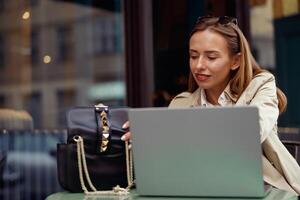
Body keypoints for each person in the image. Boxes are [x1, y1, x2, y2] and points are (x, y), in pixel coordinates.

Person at [121, 16, 300, 194]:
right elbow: (177, 165)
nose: (198, 65)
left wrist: (166, 130)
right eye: (193, 56)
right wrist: (150, 140)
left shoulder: (260, 86)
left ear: (236, 61)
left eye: (211, 57)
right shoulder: (181, 103)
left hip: (269, 189)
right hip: (206, 191)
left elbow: (249, 133)